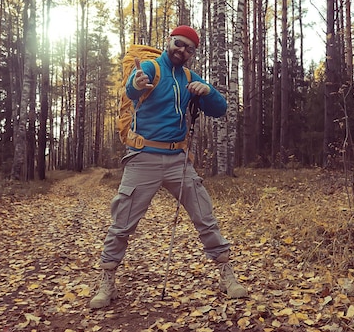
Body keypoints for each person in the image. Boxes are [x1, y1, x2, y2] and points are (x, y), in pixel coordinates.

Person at [89, 25, 247, 309]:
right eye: (179, 43)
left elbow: (220, 109)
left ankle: (227, 276)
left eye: (189, 48)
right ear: (169, 41)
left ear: (192, 53)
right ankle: (107, 281)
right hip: (143, 159)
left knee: (205, 217)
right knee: (122, 224)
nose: (182, 50)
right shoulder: (150, 68)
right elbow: (133, 89)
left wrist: (207, 90)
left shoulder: (188, 77)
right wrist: (136, 85)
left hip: (178, 161)